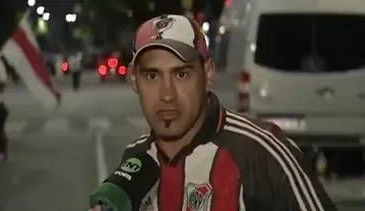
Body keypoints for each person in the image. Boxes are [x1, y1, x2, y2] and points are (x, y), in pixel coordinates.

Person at [89, 14, 337, 211]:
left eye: (181, 74)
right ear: (134, 80)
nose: (167, 94)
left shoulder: (262, 152)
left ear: (207, 75)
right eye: (152, 76)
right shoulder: (137, 157)